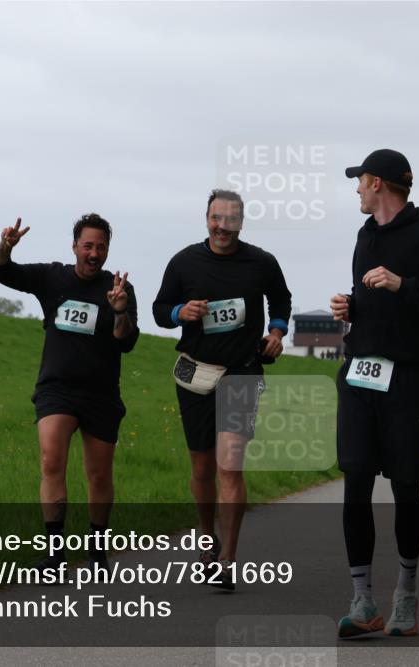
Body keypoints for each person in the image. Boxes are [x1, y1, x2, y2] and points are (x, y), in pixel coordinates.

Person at [330, 149, 419, 637]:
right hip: (359, 374)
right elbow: (372, 300)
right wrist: (351, 306)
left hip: (408, 379)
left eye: (360, 181)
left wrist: (402, 284)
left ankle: (406, 595)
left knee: (406, 487)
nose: (356, 190)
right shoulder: (363, 237)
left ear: (379, 184)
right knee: (354, 482)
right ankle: (362, 599)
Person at [153, 189, 292, 591]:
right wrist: (182, 312)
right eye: (216, 218)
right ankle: (206, 538)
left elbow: (281, 300)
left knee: (230, 465)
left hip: (242, 373)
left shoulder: (262, 262)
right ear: (207, 219)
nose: (222, 227)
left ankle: (227, 560)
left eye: (230, 220)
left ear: (241, 223)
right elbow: (160, 311)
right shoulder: (183, 262)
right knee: (201, 468)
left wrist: (277, 331)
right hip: (196, 374)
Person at [0, 215, 139, 575]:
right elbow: (0, 271)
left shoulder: (119, 288)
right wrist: (5, 246)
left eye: (101, 247)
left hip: (101, 393)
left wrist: (119, 312)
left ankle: (97, 553)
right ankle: (55, 557)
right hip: (57, 389)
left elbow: (127, 341)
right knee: (51, 461)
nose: (94, 252)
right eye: (88, 245)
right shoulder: (52, 278)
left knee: (98, 476)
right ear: (74, 246)